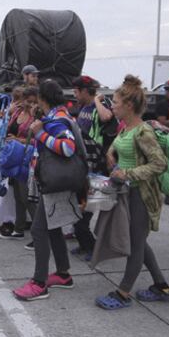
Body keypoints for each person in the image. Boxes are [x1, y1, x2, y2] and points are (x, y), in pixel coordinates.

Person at [95, 75, 169, 310]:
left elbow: (159, 164)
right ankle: (162, 286)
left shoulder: (143, 132)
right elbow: (119, 146)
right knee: (139, 241)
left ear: (129, 105)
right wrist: (110, 154)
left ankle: (123, 293)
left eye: (116, 103)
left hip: (141, 196)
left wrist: (127, 173)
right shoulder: (126, 128)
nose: (113, 106)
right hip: (127, 194)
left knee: (136, 245)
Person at [12, 79, 82, 301]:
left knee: (38, 230)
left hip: (55, 182)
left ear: (43, 99)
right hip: (53, 182)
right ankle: (63, 274)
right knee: (52, 228)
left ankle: (39, 283)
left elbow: (67, 148)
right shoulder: (57, 115)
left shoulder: (57, 121)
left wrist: (41, 133)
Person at [70, 75, 109, 259]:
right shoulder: (83, 108)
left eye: (77, 92)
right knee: (80, 209)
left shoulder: (99, 105)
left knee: (86, 210)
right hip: (84, 165)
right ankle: (84, 244)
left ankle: (93, 248)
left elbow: (106, 117)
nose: (74, 95)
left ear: (86, 91)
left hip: (97, 167)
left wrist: (97, 100)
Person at [0, 85, 40, 240]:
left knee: (27, 197)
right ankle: (19, 229)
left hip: (27, 160)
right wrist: (4, 115)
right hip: (13, 158)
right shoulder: (17, 112)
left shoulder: (37, 118)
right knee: (17, 195)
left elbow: (38, 140)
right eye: (28, 101)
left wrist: (18, 140)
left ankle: (39, 234)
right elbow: (5, 128)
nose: (30, 104)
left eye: (33, 102)